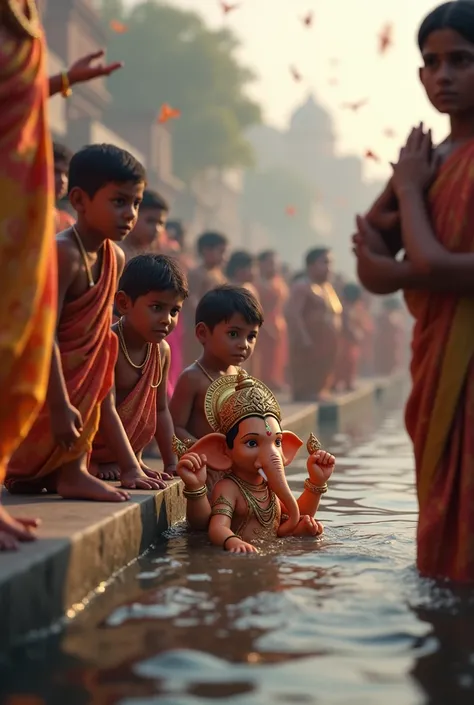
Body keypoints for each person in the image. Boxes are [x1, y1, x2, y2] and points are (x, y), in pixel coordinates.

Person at [353, 1, 474, 582]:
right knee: (444, 507)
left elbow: (423, 260)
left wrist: (407, 194)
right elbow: (370, 260)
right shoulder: (429, 161)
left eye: (461, 60)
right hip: (439, 354)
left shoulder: (417, 172)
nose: (444, 75)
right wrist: (406, 192)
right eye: (432, 62)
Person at [0, 4, 124, 549]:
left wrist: (64, 80)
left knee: (19, 348)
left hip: (17, 208)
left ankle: (69, 468)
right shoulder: (69, 248)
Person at [5, 144, 163, 501]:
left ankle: (73, 470)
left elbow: (98, 342)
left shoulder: (115, 257)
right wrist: (60, 407)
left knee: (104, 361)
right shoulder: (64, 253)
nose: (130, 214)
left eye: (136, 204)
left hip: (87, 381)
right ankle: (67, 471)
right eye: (119, 202)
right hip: (50, 381)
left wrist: (130, 466)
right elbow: (44, 336)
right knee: (26, 476)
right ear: (79, 199)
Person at [91, 254, 188, 483]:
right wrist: (129, 468)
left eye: (174, 311)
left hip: (127, 449)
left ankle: (133, 457)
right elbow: (106, 410)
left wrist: (172, 462)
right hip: (94, 442)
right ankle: (96, 462)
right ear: (124, 303)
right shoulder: (109, 343)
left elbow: (161, 410)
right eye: (157, 307)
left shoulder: (161, 350)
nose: (167, 319)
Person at [170, 285, 264, 495]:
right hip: (206, 470)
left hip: (239, 470)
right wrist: (207, 453)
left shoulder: (241, 378)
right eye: (233, 334)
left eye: (251, 337)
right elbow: (175, 427)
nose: (244, 344)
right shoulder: (192, 377)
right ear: (203, 333)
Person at [287, 248, 342, 401]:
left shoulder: (327, 288)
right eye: (324, 262)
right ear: (311, 265)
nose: (329, 267)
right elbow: (293, 314)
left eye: (330, 263)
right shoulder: (302, 286)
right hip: (309, 342)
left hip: (326, 342)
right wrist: (303, 337)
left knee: (323, 369)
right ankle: (307, 392)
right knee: (308, 370)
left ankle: (320, 390)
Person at [183, 231, 228, 366]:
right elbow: (192, 299)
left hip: (216, 326)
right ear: (206, 250)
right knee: (196, 360)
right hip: (199, 327)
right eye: (221, 252)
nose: (224, 257)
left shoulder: (219, 274)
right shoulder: (197, 273)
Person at [256, 250, 289, 391]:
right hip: (262, 322)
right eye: (270, 263)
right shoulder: (256, 282)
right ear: (261, 264)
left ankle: (274, 379)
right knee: (260, 355)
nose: (273, 266)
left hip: (278, 322)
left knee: (277, 354)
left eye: (275, 263)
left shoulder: (279, 282)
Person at [120, 189, 169, 261]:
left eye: (160, 223)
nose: (156, 229)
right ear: (133, 216)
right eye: (150, 221)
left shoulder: (155, 259)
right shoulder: (113, 251)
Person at [334, 283, 363, 393]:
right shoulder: (345, 308)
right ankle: (340, 383)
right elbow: (346, 325)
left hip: (349, 340)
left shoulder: (350, 307)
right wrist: (354, 334)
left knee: (349, 362)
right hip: (345, 340)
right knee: (343, 361)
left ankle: (347, 382)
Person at [53, 142, 75, 232]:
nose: (63, 180)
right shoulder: (16, 211)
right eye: (56, 171)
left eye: (66, 174)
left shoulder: (67, 225)